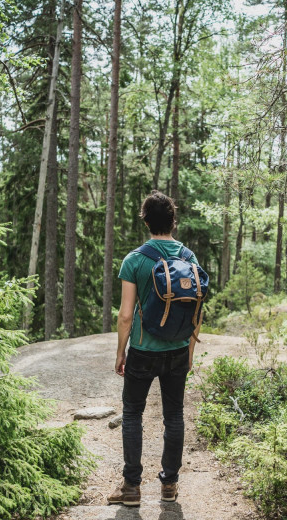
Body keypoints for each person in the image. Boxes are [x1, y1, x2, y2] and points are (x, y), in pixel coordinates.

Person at [107, 191, 202, 507]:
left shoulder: (135, 259)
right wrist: (189, 351)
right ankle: (169, 486)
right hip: (177, 349)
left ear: (145, 221)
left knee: (133, 412)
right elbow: (196, 311)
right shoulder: (189, 259)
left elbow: (125, 314)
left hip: (144, 350)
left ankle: (132, 487)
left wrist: (121, 352)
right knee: (174, 415)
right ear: (173, 221)